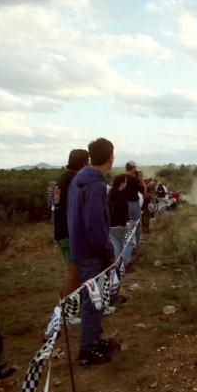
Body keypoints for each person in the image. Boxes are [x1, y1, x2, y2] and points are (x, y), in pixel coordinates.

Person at [67, 138, 118, 366]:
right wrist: (108, 252)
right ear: (110, 157)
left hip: (81, 247)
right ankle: (88, 351)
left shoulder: (80, 178)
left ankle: (95, 341)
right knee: (93, 300)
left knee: (96, 298)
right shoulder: (96, 185)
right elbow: (95, 224)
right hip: (92, 251)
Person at [53, 149, 89, 295]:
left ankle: (70, 306)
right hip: (69, 232)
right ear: (83, 162)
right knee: (74, 273)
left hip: (61, 230)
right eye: (88, 161)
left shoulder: (62, 179)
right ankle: (67, 310)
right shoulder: (74, 180)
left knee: (74, 270)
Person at [108, 174, 130, 259]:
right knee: (125, 244)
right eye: (125, 182)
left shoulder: (110, 193)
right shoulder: (120, 195)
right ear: (121, 183)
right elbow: (122, 210)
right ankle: (123, 263)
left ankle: (116, 264)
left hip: (111, 224)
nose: (126, 183)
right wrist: (124, 223)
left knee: (115, 244)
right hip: (119, 224)